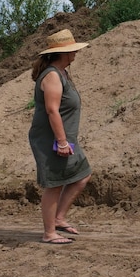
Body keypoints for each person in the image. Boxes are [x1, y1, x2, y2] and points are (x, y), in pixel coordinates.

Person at [28, 29, 92, 244]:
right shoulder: (53, 75)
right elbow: (52, 110)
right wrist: (62, 141)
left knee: (82, 175)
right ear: (63, 53)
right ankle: (49, 234)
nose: (75, 53)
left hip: (65, 137)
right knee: (54, 184)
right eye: (72, 50)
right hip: (52, 140)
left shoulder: (62, 72)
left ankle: (58, 218)